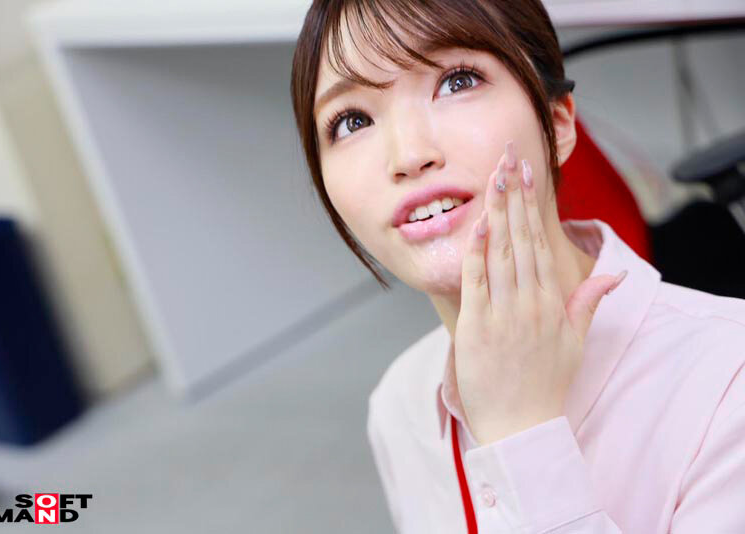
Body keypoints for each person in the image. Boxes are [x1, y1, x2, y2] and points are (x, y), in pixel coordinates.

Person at [289, 1, 745, 532]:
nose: (408, 156)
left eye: (457, 82)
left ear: (557, 123)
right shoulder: (400, 407)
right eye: (352, 121)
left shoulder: (727, 387)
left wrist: (521, 435)